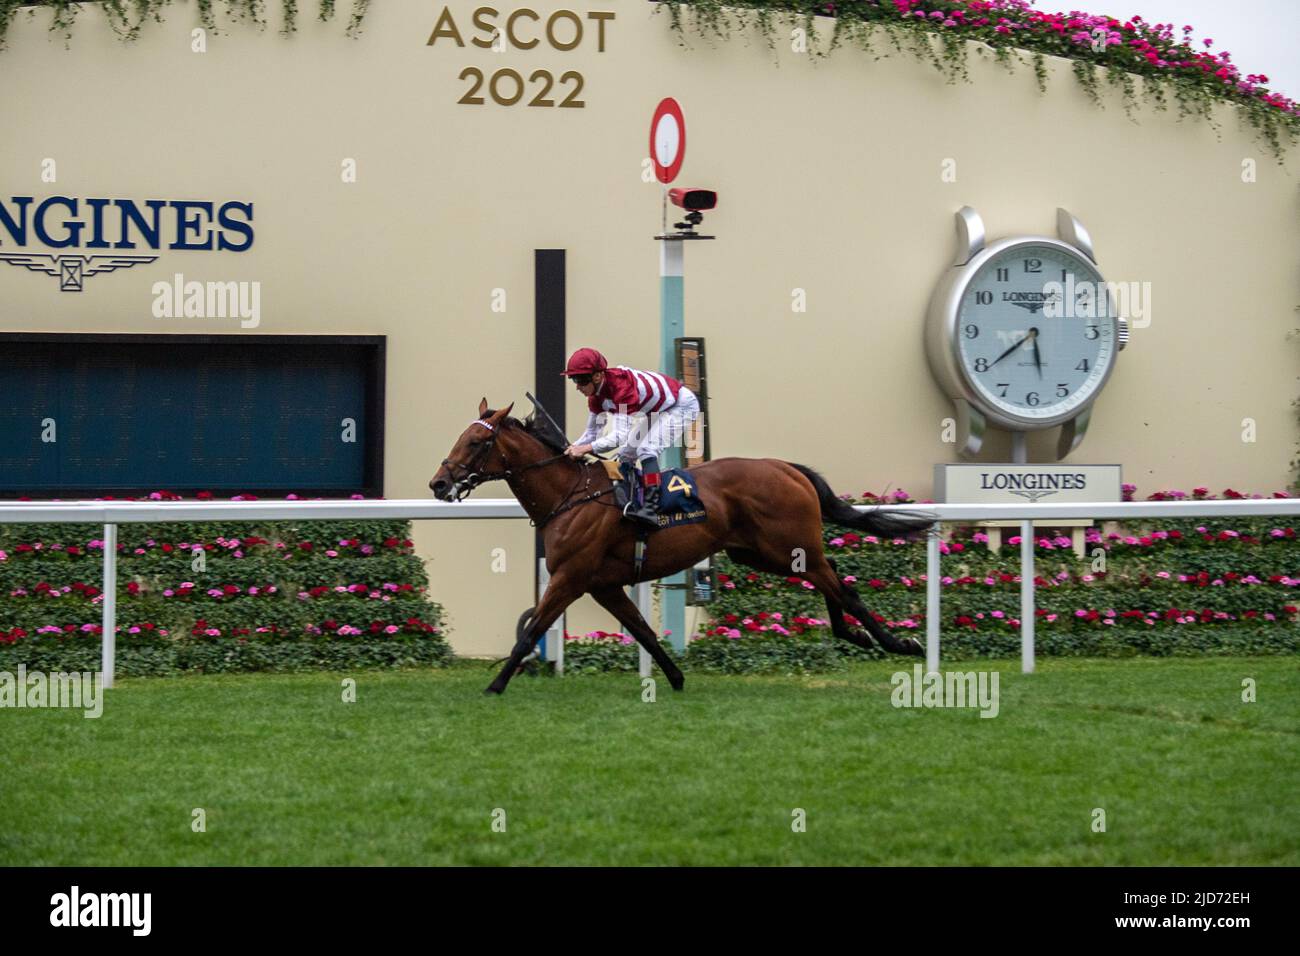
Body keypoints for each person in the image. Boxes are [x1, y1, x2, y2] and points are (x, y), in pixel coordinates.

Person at [561, 347, 700, 527]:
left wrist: (583, 449)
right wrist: (569, 449)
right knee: (626, 455)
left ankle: (651, 507)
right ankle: (630, 501)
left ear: (597, 376)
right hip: (658, 410)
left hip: (681, 406)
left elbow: (618, 437)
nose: (577, 387)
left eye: (580, 380)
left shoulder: (621, 388)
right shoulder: (596, 396)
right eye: (574, 380)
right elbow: (591, 434)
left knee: (646, 449)